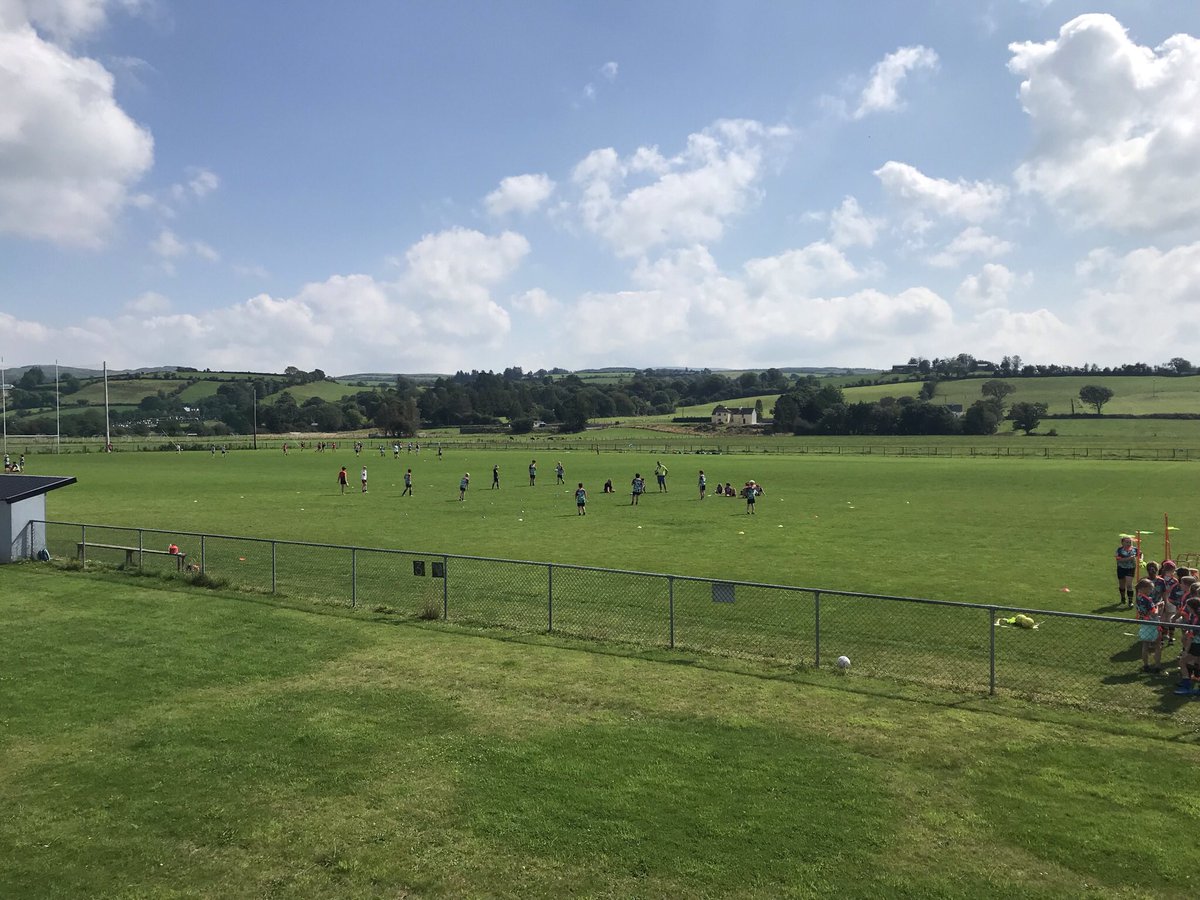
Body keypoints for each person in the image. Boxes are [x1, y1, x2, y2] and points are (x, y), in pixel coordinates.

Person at [1135, 577, 1163, 673]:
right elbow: (1154, 613)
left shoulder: (1138, 597)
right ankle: (1157, 666)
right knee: (1158, 644)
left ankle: (1145, 665)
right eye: (1150, 589)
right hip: (1152, 623)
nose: (1151, 591)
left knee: (1145, 644)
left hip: (1144, 622)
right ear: (1143, 588)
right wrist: (1158, 607)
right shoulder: (1147, 599)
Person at [1115, 536, 1140, 607]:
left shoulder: (1134, 549)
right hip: (1121, 568)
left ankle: (1130, 601)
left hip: (1130, 568)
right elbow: (1118, 560)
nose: (1129, 544)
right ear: (1122, 543)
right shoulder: (1119, 550)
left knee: (1129, 585)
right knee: (1122, 585)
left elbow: (1140, 554)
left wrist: (1140, 560)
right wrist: (1129, 558)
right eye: (1127, 542)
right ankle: (1123, 597)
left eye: (1130, 542)